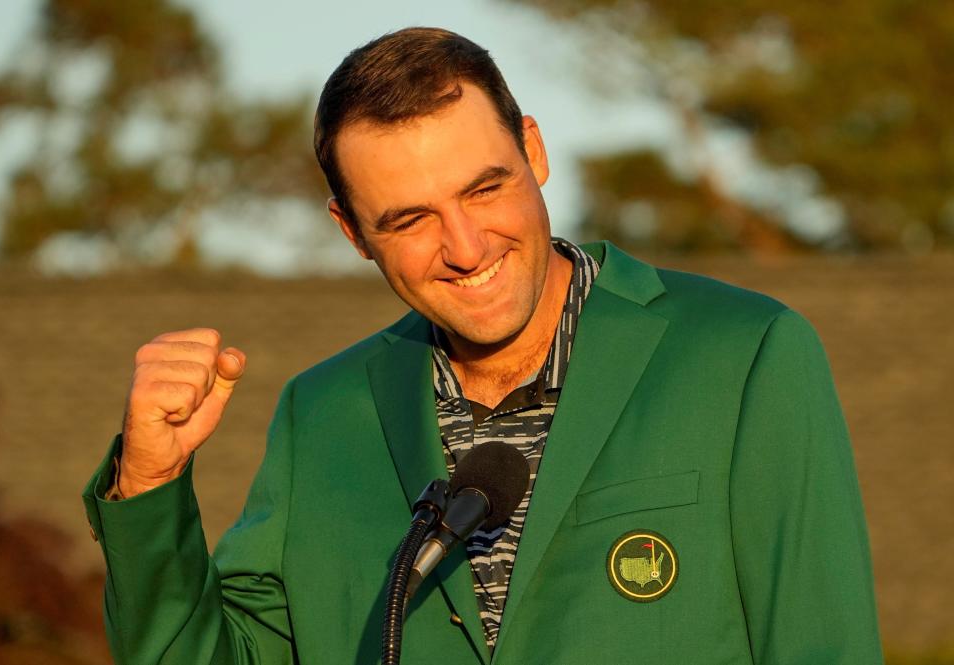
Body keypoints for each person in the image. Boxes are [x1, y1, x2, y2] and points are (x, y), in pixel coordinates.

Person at [83, 27, 883, 664]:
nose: (465, 246)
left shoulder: (746, 356)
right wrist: (149, 482)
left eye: (484, 187)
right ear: (352, 232)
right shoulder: (320, 415)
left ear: (533, 149)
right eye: (409, 219)